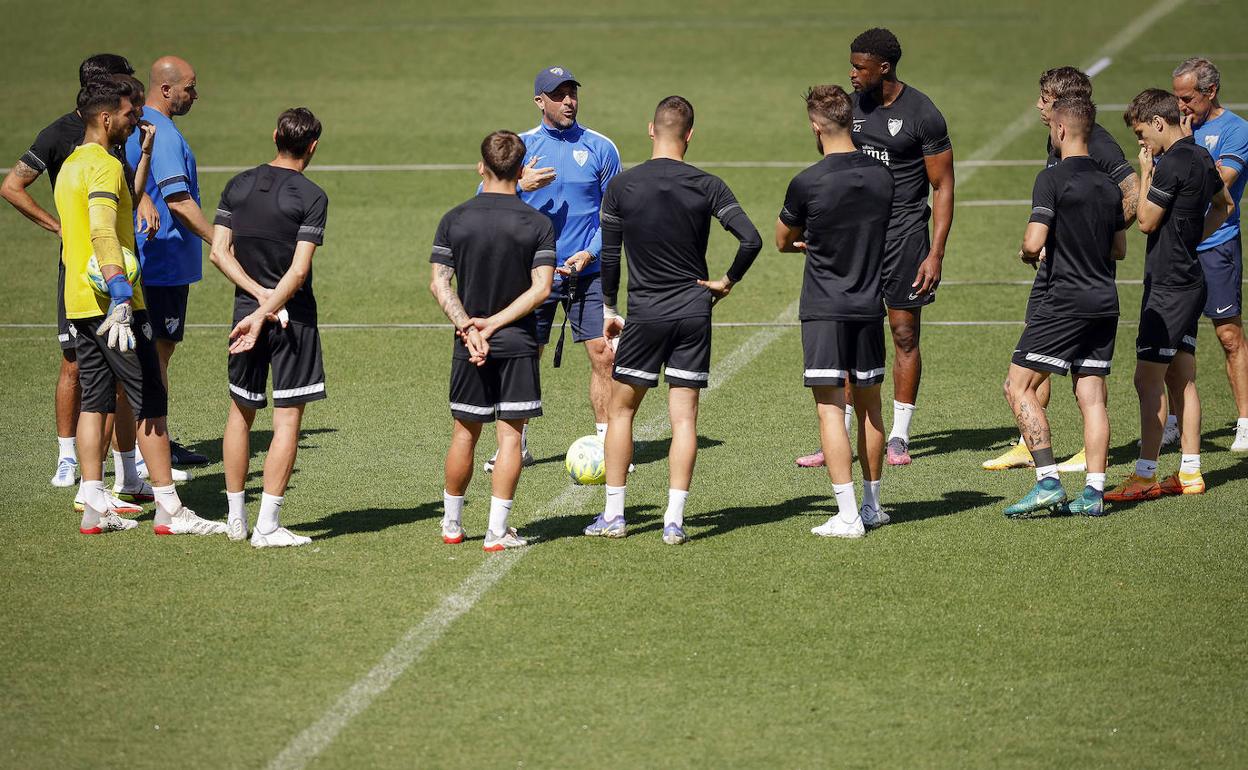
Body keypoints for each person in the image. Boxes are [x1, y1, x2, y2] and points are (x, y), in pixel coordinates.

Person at [582, 96, 762, 543]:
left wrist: (607, 308)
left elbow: (609, 256)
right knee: (684, 421)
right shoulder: (708, 185)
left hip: (645, 313)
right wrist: (727, 281)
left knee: (621, 413)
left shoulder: (622, 187)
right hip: (693, 311)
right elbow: (751, 239)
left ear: (650, 129)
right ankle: (674, 521)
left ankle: (615, 516)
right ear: (690, 134)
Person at [54, 76, 226, 536]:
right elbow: (103, 230)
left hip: (79, 301)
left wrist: (145, 153)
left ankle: (94, 504)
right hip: (115, 305)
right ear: (106, 117)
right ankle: (170, 510)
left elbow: (120, 205)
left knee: (94, 401)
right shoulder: (104, 169)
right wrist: (123, 297)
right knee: (150, 399)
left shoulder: (75, 164)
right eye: (131, 115)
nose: (137, 121)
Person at [0, 54, 158, 504]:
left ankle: (119, 476)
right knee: (83, 369)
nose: (134, 106)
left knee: (114, 384)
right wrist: (59, 228)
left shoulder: (116, 137)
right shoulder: (61, 137)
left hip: (110, 269)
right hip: (89, 276)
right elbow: (12, 185)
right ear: (103, 96)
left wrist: (142, 174)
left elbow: (125, 192)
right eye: (125, 89)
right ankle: (71, 459)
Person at [795, 28, 954, 468]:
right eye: (851, 65)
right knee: (849, 334)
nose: (852, 73)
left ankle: (899, 436)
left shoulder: (923, 114)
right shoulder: (849, 110)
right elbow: (829, 165)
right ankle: (838, 437)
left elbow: (942, 186)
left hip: (905, 237)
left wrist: (935, 252)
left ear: (884, 67)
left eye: (859, 67)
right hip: (858, 239)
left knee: (904, 333)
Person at [984, 65, 1144, 473]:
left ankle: (1069, 462)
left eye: (1042, 98)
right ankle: (1029, 441)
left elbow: (1133, 192)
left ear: (1060, 108)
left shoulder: (1099, 144)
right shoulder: (1057, 141)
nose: (1036, 105)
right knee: (1038, 349)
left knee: (1076, 373)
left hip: (1079, 273)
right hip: (1057, 269)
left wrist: (1092, 236)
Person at [481, 66, 621, 473]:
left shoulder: (601, 148)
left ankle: (608, 445)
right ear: (539, 100)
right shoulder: (518, 148)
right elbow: (482, 201)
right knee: (526, 355)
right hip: (532, 275)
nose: (569, 101)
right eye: (558, 95)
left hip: (587, 273)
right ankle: (515, 444)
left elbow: (613, 217)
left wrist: (590, 254)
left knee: (602, 354)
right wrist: (520, 186)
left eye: (572, 93)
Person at [1001, 98, 1128, 518]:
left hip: (1065, 300)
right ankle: (1093, 493)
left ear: (1058, 131)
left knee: (1017, 386)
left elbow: (1034, 241)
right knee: (1091, 397)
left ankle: (1048, 482)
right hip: (1105, 300)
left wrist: (1026, 251)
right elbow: (1119, 248)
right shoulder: (1109, 185)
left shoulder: (1051, 179)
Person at [1106, 90, 1234, 503]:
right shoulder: (1199, 156)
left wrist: (1145, 172)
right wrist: (1193, 238)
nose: (1142, 143)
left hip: (1167, 286)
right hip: (1190, 278)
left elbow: (1144, 221)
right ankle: (1191, 472)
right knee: (1183, 378)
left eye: (1143, 134)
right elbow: (1225, 205)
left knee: (1147, 380)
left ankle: (1145, 475)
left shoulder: (1172, 162)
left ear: (1159, 123)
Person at [778, 85, 893, 539]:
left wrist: (812, 239)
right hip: (869, 305)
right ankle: (872, 506)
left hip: (825, 307)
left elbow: (784, 238)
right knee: (870, 407)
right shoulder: (883, 177)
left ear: (815, 125)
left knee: (831, 410)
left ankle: (846, 516)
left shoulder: (808, 181)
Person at [210, 108, 328, 548]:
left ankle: (236, 517)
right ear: (312, 146)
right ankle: (267, 525)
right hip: (291, 317)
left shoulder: (237, 184)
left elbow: (220, 254)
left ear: (275, 135)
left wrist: (256, 300)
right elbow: (297, 273)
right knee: (287, 419)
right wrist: (269, 307)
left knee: (241, 413)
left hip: (245, 312)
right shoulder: (312, 195)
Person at [433, 131, 556, 551]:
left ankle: (451, 526)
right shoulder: (538, 224)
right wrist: (493, 325)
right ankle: (497, 532)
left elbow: (439, 284)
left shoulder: (454, 219)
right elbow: (541, 289)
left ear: (480, 167)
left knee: (464, 434)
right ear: (522, 172)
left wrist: (469, 327)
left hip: (468, 345)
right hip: (517, 344)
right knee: (509, 439)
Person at [125, 56, 213, 467]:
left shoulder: (140, 124)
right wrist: (221, 241)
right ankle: (148, 453)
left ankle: (148, 446)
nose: (195, 95)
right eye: (189, 88)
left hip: (158, 261)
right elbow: (178, 201)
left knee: (152, 356)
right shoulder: (160, 133)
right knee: (153, 358)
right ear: (166, 88)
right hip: (160, 263)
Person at [1173, 57, 1248, 452]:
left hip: (1217, 243)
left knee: (1229, 335)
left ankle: (1245, 421)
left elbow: (1221, 182)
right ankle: (1172, 420)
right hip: (1177, 245)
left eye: (1187, 98)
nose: (1180, 106)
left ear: (1210, 92)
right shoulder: (1176, 124)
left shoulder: (1236, 130)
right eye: (1177, 98)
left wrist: (1184, 150)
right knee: (1172, 337)